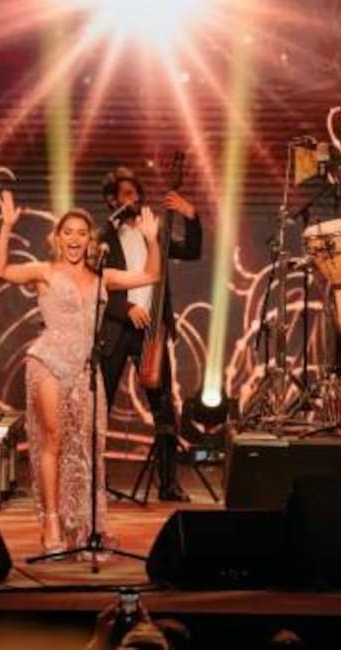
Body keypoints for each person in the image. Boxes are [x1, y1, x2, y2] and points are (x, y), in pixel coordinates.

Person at [0, 191, 160, 552]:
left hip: (85, 370)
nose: (74, 238)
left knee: (86, 447)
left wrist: (151, 240)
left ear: (89, 240)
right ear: (58, 238)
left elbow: (150, 274)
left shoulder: (103, 277)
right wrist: (6, 227)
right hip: (48, 362)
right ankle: (52, 522)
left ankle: (85, 525)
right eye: (67, 232)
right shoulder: (44, 271)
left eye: (81, 233)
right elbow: (0, 270)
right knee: (53, 439)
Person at [99, 166, 202, 501]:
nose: (135, 199)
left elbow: (192, 251)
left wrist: (191, 215)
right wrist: (125, 307)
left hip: (151, 331)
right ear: (112, 200)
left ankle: (169, 484)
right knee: (99, 407)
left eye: (137, 193)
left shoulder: (154, 233)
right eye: (127, 194)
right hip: (116, 330)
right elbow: (95, 284)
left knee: (164, 410)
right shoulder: (102, 238)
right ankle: (94, 481)